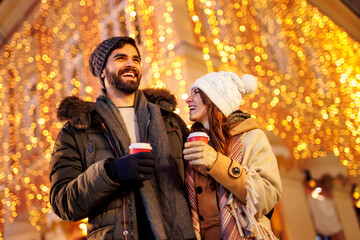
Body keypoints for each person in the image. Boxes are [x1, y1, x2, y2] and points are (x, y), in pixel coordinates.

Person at [50, 36, 195, 240]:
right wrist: (111, 173)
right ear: (102, 71)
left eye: (136, 59)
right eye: (120, 58)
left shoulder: (169, 120)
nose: (131, 64)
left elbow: (199, 180)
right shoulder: (78, 129)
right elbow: (63, 203)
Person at [183, 71, 282, 240]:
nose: (188, 99)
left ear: (215, 99)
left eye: (197, 92)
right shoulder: (191, 141)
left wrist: (217, 162)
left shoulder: (250, 135)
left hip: (246, 234)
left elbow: (268, 195)